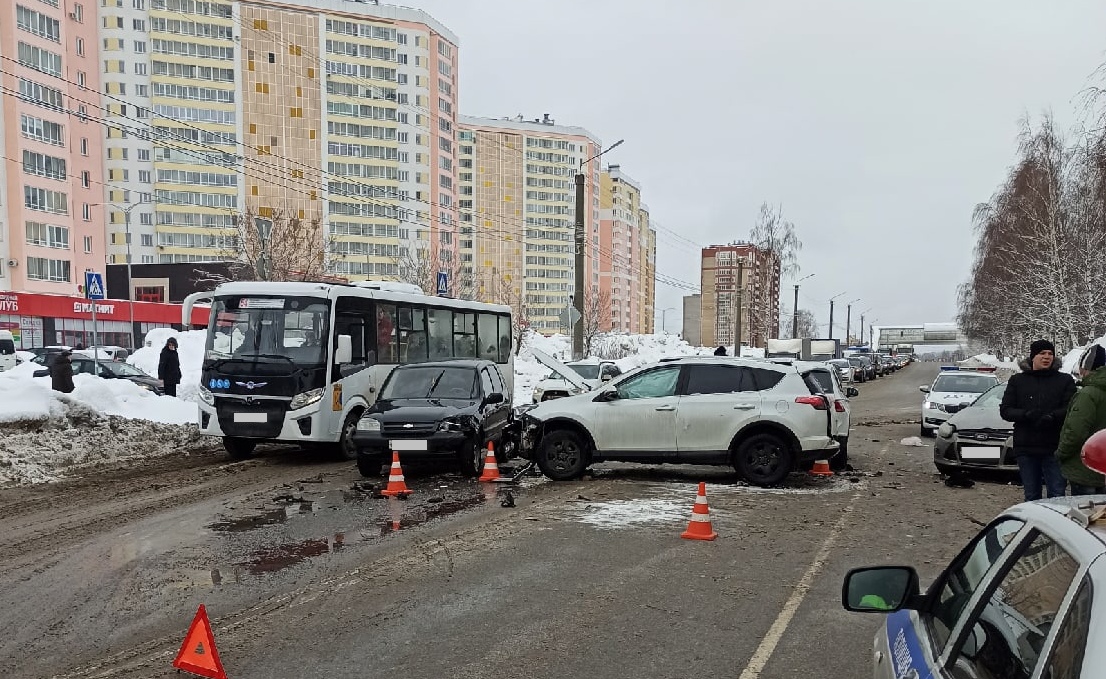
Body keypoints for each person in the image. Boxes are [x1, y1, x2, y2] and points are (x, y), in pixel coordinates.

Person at [1000, 339, 1077, 501]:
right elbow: (1006, 410)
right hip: (1026, 447)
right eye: (1042, 353)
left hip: (1054, 447)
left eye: (1050, 354)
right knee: (1032, 495)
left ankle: (1055, 525)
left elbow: (1070, 408)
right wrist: (1026, 414)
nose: (1046, 357)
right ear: (1033, 357)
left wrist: (1053, 416)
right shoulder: (1018, 381)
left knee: (1057, 495)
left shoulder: (1064, 380)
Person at [1056, 344, 1106, 495]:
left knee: (1084, 515)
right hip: (1103, 467)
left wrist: (1061, 453)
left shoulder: (1088, 394)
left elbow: (1076, 432)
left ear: (1085, 367)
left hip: (1085, 467)